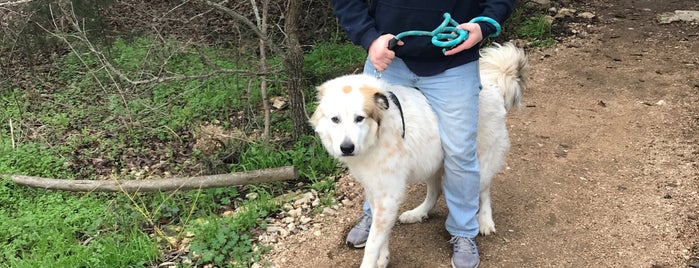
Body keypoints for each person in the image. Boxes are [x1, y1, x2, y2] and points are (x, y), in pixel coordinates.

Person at [330, 0, 515, 267]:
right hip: (389, 60)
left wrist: (483, 25)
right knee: (371, 151)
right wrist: (369, 38)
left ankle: (463, 230)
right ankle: (374, 215)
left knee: (460, 151)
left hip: (455, 62)